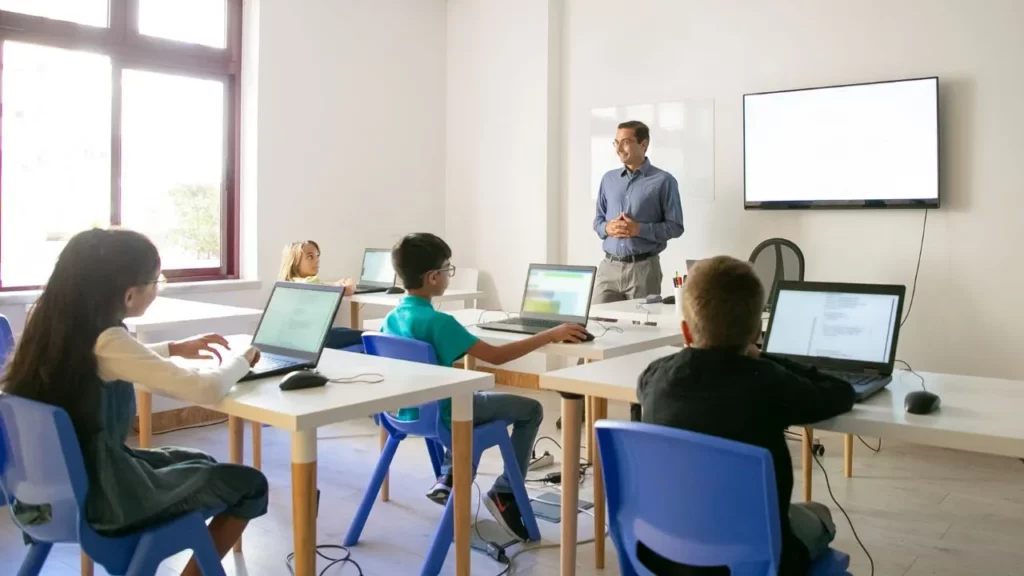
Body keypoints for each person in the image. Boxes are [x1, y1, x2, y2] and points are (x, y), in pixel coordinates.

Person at [2, 228, 268, 576]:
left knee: (198, 459)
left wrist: (172, 349)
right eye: (156, 280)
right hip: (104, 500)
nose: (158, 287)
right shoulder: (109, 339)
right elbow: (206, 391)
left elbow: (106, 362)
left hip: (46, 499)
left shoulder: (51, 328)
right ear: (129, 295)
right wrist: (245, 359)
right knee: (248, 484)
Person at [636, 256, 855, 575]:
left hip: (664, 554)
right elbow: (839, 391)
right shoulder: (768, 382)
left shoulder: (653, 378)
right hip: (756, 558)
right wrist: (766, 358)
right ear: (756, 331)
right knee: (819, 512)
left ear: (685, 330)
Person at [383, 232, 588, 541]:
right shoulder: (439, 323)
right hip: (446, 416)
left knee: (468, 395)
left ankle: (450, 475)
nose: (449, 275)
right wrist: (550, 334)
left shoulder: (391, 318)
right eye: (448, 269)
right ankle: (504, 492)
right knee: (530, 409)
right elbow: (497, 356)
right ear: (433, 277)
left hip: (407, 415)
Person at [558, 120, 685, 430]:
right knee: (588, 330)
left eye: (626, 142)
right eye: (616, 142)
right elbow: (598, 221)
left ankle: (639, 409)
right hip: (609, 266)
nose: (619, 148)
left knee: (643, 338)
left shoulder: (663, 181)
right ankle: (577, 404)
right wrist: (608, 228)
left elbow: (676, 226)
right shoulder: (608, 180)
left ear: (644, 144)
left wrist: (639, 229)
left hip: (644, 267)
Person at [279, 240, 363, 350]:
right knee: (365, 336)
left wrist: (335, 283)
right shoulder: (311, 283)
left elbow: (322, 283)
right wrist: (351, 281)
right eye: (310, 257)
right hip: (317, 338)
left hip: (297, 339)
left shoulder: (288, 282)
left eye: (317, 256)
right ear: (295, 262)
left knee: (344, 330)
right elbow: (348, 290)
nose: (317, 261)